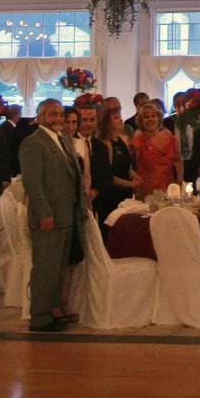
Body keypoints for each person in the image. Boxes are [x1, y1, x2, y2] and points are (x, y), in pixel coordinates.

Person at [17, 99, 84, 332]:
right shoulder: (33, 143)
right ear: (41, 116)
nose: (58, 118)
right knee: (45, 267)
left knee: (58, 268)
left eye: (60, 114)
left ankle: (53, 310)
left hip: (66, 215)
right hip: (48, 217)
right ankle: (40, 316)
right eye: (52, 114)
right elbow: (33, 183)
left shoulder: (61, 140)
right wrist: (45, 213)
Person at [87, 105, 137, 224]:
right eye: (116, 118)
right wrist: (130, 184)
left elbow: (126, 165)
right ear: (107, 122)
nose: (121, 120)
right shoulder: (105, 144)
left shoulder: (120, 140)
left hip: (124, 192)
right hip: (111, 194)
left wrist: (137, 177)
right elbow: (108, 174)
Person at [129, 99, 180, 196]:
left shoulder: (171, 139)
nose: (150, 119)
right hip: (146, 190)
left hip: (168, 189)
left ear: (159, 118)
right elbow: (126, 164)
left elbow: (178, 160)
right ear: (141, 121)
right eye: (146, 117)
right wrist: (136, 178)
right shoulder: (137, 141)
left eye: (153, 116)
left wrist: (179, 180)